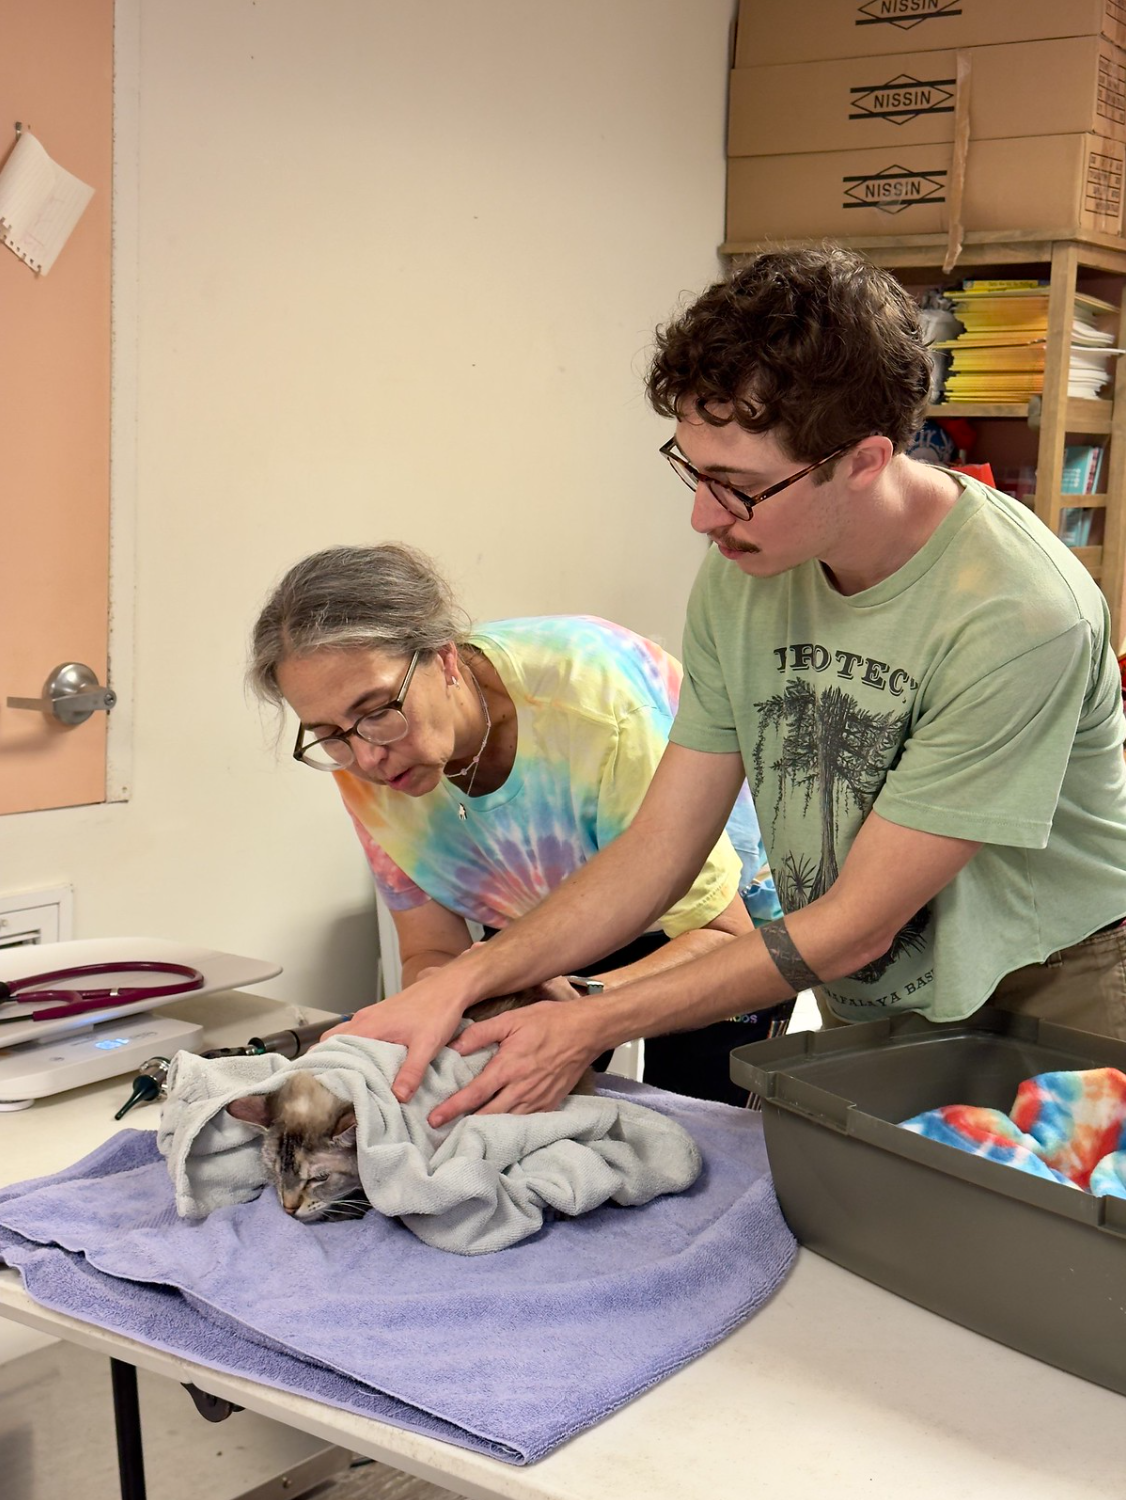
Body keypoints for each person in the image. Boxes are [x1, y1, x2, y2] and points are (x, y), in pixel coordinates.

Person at [321, 243, 1126, 1127]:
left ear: (863, 459)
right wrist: (461, 981)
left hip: (1052, 990)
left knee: (1032, 1252)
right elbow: (661, 847)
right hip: (882, 990)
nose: (703, 517)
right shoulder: (747, 571)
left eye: (736, 486)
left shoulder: (1018, 614)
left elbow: (857, 921)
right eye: (691, 468)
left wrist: (590, 1020)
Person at [249, 542, 784, 1106]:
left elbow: (723, 937)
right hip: (534, 947)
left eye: (377, 711)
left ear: (446, 658)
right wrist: (444, 1004)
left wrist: (579, 999)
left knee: (705, 1127)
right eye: (330, 734)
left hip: (721, 925)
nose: (367, 758)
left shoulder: (598, 705)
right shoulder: (362, 753)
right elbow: (431, 948)